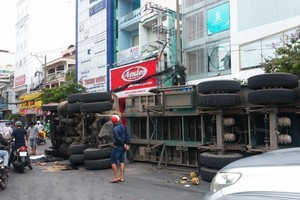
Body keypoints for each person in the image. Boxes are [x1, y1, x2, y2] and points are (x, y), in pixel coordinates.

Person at [110, 114, 130, 183]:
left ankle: (116, 177)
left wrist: (123, 144)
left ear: (113, 122)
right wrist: (127, 144)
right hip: (123, 147)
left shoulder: (115, 129)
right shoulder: (124, 126)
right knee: (122, 161)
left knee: (113, 161)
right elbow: (128, 135)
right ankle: (122, 177)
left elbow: (118, 138)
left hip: (118, 146)